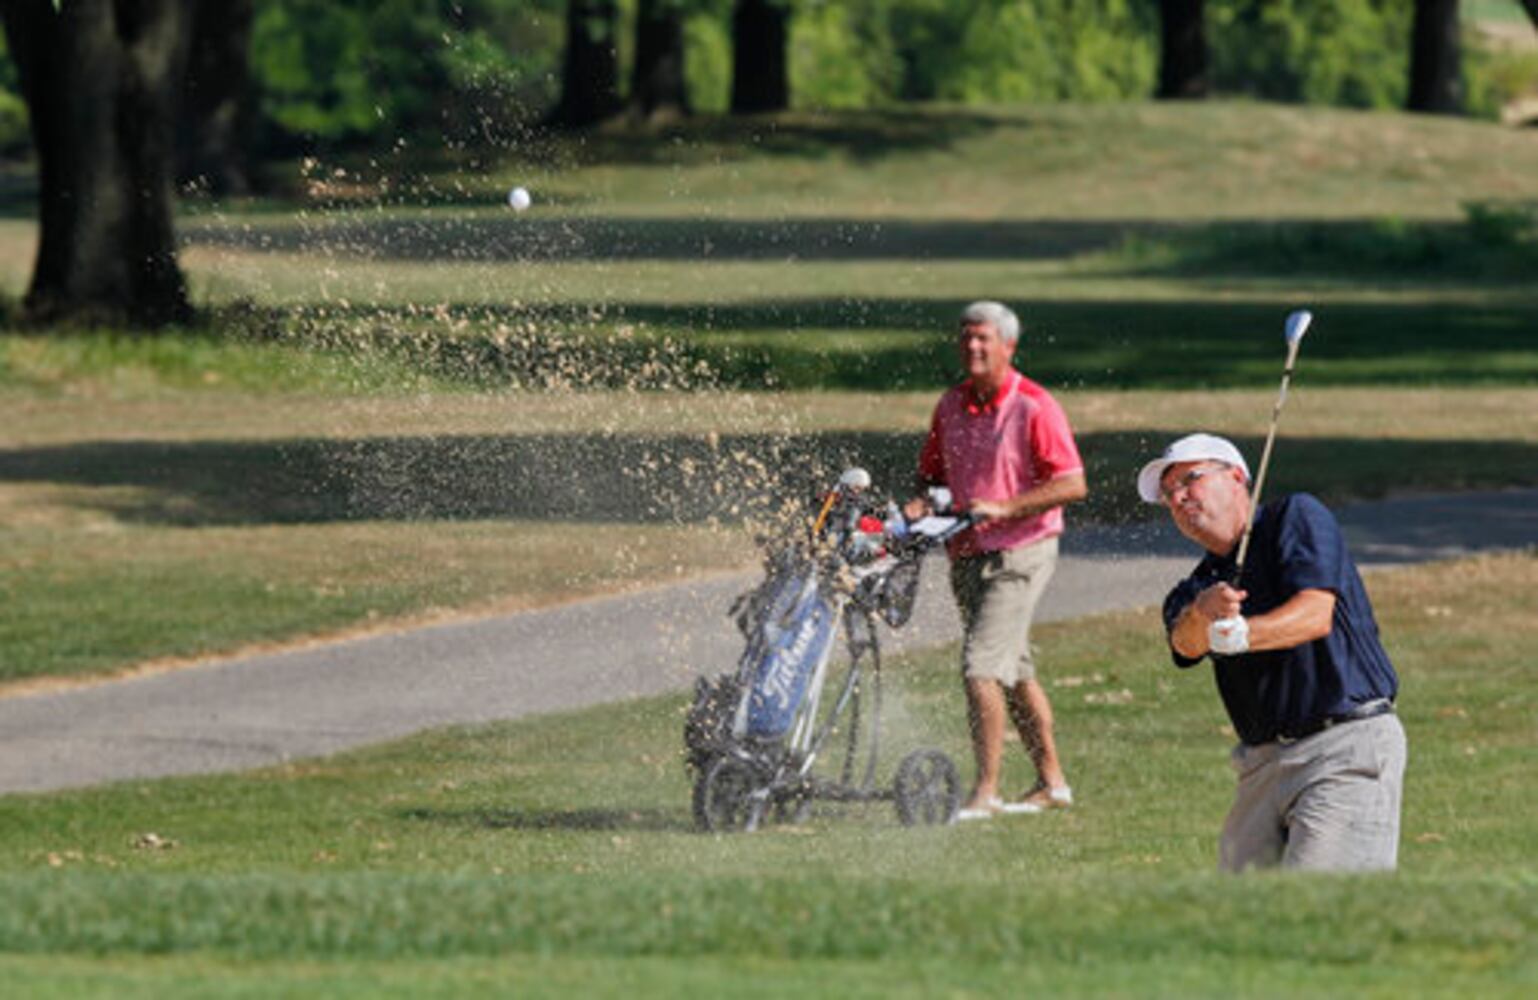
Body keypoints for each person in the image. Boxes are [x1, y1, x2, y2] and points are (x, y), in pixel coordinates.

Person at [1140, 433, 1407, 872]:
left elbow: (1315, 614)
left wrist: (1242, 634)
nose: (1179, 497)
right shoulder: (1194, 588)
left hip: (1343, 747)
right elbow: (1183, 643)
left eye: (1190, 479)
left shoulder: (1295, 517)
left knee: (1318, 912)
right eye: (1169, 494)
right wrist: (1204, 614)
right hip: (1261, 767)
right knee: (1245, 922)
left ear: (1238, 476)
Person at [905, 301, 1087, 820]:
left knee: (981, 666)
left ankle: (985, 793)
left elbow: (1073, 483)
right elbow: (932, 476)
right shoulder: (951, 405)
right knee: (1013, 668)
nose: (973, 346)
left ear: (1009, 346)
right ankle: (1053, 782)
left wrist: (1006, 507)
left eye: (984, 338)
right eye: (965, 337)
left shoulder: (1033, 405)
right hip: (965, 550)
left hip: (1021, 550)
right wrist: (922, 504)